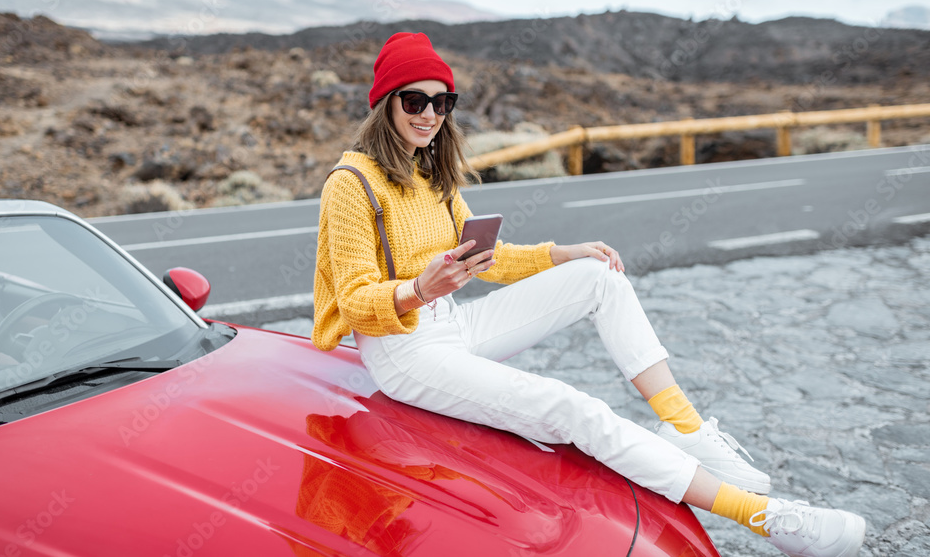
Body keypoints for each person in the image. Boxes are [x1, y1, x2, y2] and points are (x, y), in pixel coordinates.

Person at [311, 32, 866, 557]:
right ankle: (771, 519)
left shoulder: (431, 178)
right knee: (572, 408)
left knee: (600, 275)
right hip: (403, 351)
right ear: (385, 104)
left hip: (452, 324)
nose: (430, 114)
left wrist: (565, 252)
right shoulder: (351, 184)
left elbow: (490, 260)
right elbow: (358, 301)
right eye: (415, 100)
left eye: (443, 101)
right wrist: (417, 288)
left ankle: (686, 428)